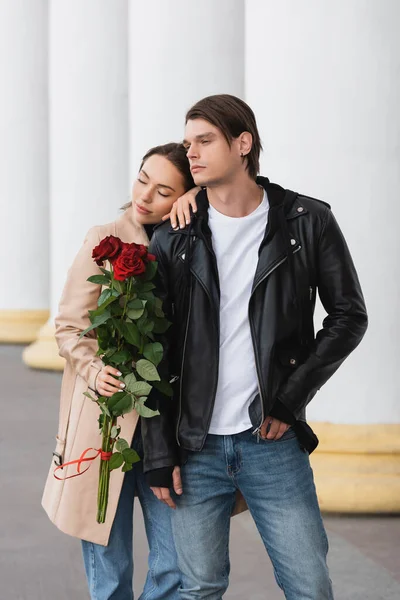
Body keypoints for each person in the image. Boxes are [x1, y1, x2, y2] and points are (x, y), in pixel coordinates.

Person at [142, 95, 368, 600]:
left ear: (243, 144)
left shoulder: (307, 222)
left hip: (272, 443)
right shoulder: (174, 238)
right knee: (199, 587)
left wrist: (289, 399)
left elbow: (349, 316)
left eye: (205, 141)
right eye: (188, 143)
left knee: (309, 585)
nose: (192, 154)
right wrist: (159, 451)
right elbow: (150, 349)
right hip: (193, 446)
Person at [42, 142, 199, 600]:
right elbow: (69, 327)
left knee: (176, 565)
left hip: (165, 428)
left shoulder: (193, 244)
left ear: (185, 197)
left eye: (165, 190)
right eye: (143, 178)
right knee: (109, 569)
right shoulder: (103, 238)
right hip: (104, 424)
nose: (145, 195)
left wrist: (202, 203)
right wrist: (94, 371)